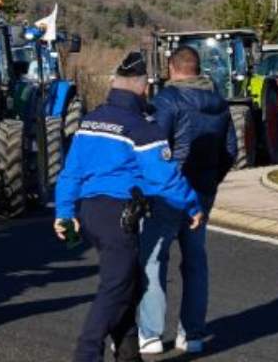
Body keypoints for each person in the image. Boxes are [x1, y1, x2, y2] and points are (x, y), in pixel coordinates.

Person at [54, 52, 204, 362]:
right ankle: (86, 354)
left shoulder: (90, 120)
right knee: (117, 287)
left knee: (130, 282)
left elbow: (71, 172)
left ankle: (128, 353)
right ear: (144, 87)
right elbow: (164, 179)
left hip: (89, 213)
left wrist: (64, 213)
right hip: (117, 217)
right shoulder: (142, 128)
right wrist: (192, 205)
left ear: (114, 84)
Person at [136, 45, 236, 355]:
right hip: (202, 190)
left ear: (171, 68)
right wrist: (209, 183)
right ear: (198, 68)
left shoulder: (165, 101)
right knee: (195, 261)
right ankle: (191, 334)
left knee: (153, 259)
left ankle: (151, 334)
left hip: (168, 192)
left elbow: (154, 150)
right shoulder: (220, 103)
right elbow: (230, 150)